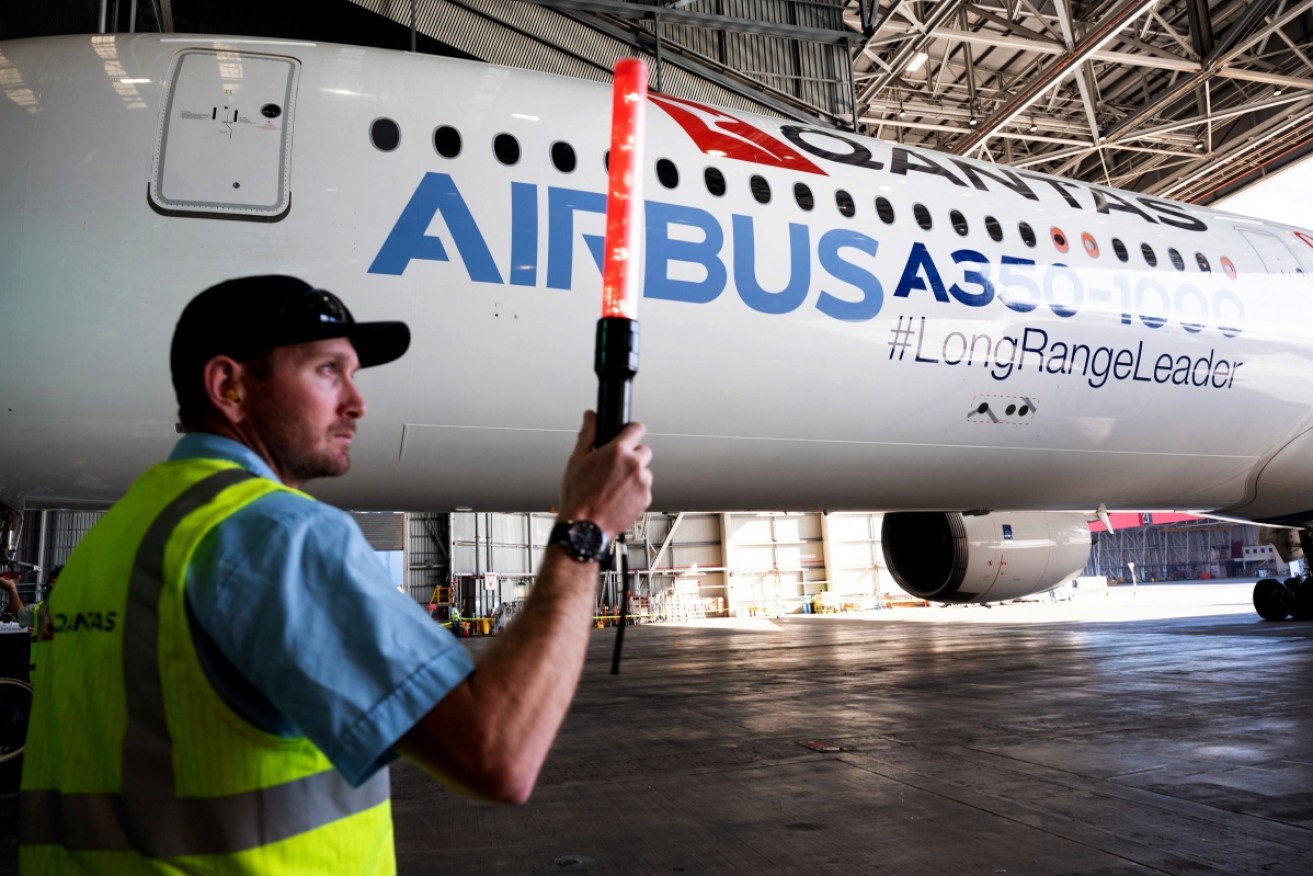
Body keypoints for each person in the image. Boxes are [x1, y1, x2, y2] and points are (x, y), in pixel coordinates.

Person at [19, 275, 654, 873]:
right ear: (228, 386)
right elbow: (498, 755)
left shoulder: (119, 536)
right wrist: (586, 527)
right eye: (327, 371)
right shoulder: (275, 535)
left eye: (353, 374)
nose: (358, 403)